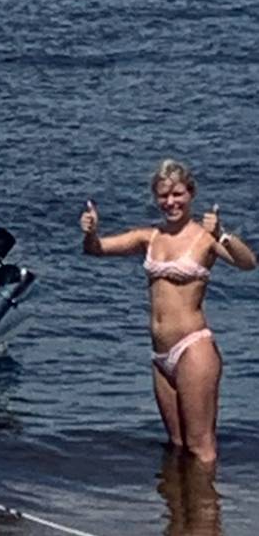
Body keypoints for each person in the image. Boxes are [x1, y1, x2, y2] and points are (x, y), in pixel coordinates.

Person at [81, 160, 254, 464]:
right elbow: (96, 250)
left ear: (191, 194)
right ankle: (176, 511)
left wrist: (223, 234)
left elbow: (247, 263)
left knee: (201, 449)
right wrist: (91, 232)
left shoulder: (205, 239)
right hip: (161, 356)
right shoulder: (150, 237)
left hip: (193, 348)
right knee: (176, 446)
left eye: (177, 194)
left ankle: (207, 511)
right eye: (163, 196)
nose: (170, 202)